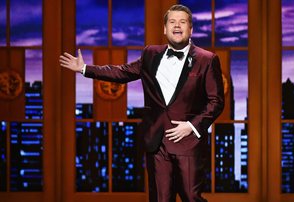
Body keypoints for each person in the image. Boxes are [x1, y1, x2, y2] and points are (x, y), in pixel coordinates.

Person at [59, 4, 224, 202]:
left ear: (191, 29)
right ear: (165, 29)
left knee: (191, 198)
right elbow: (122, 72)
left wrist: (191, 126)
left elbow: (216, 101)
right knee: (160, 199)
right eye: (172, 22)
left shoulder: (207, 59)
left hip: (188, 143)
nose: (177, 26)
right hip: (157, 142)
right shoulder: (150, 54)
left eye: (182, 22)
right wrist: (85, 68)